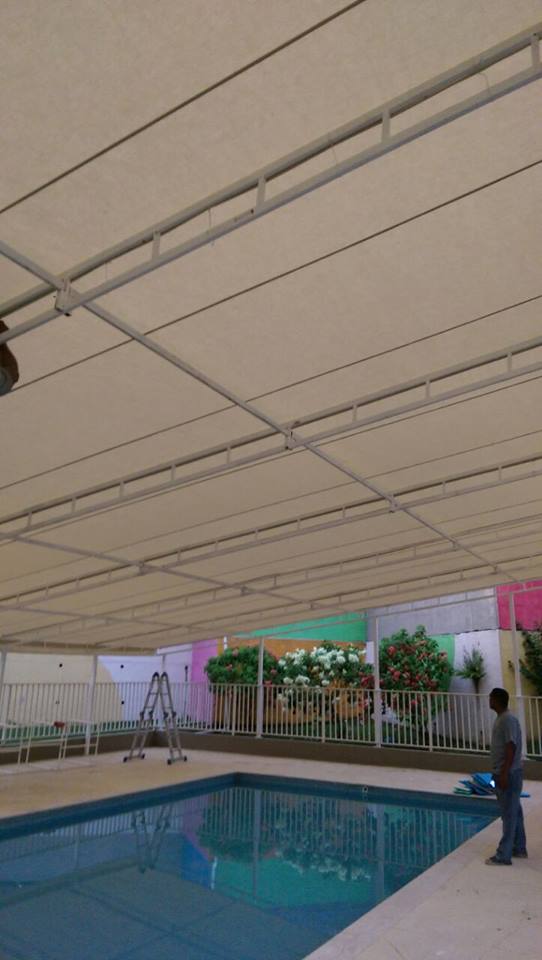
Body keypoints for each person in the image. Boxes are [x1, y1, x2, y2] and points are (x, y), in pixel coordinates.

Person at [485, 687, 528, 865]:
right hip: (504, 772)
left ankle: (504, 855)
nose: (489, 701)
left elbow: (511, 746)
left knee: (508, 815)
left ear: (497, 700)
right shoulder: (502, 719)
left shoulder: (507, 720)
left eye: (491, 698)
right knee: (514, 811)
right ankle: (519, 847)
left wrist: (504, 773)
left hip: (508, 774)